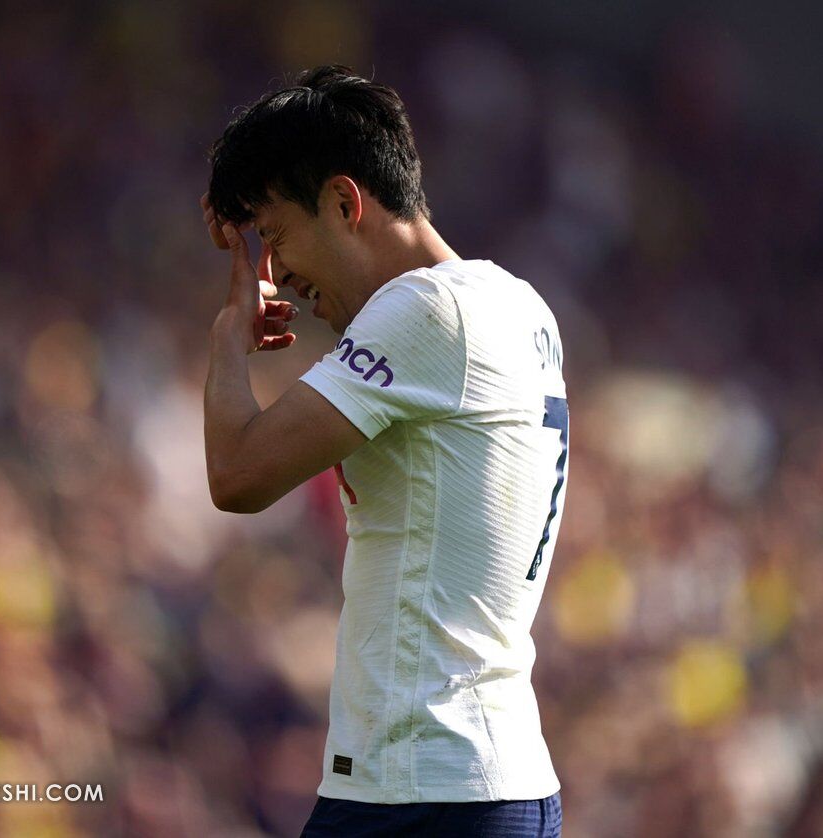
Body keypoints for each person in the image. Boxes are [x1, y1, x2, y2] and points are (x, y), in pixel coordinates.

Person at [202, 64, 566, 837]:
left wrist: (230, 337)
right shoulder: (517, 303)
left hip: (423, 787)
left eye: (275, 234)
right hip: (475, 775)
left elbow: (237, 475)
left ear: (344, 203)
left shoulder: (424, 311)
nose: (275, 272)